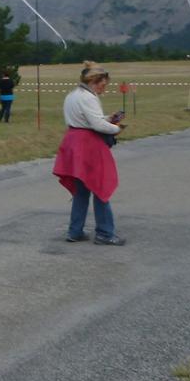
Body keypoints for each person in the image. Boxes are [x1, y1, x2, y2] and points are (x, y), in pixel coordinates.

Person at [53, 62, 126, 245]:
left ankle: (75, 230)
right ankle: (105, 232)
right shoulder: (88, 98)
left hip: (73, 141)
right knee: (100, 186)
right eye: (104, 83)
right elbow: (97, 125)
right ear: (96, 80)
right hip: (87, 144)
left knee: (82, 190)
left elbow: (88, 119)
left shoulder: (73, 95)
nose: (105, 86)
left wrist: (107, 119)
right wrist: (116, 128)